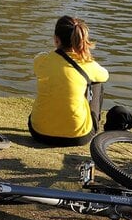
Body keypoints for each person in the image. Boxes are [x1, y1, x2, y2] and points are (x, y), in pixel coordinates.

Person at [28, 15, 110, 146]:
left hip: (39, 133)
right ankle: (93, 122)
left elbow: (40, 61)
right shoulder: (87, 64)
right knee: (96, 82)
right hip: (77, 136)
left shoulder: (42, 60)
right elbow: (105, 75)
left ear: (56, 39)